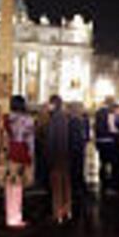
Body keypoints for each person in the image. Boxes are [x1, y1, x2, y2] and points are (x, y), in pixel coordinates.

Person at [2, 95, 34, 227]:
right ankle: (16, 216)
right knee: (18, 184)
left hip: (10, 151)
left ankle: (10, 214)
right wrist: (31, 155)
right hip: (22, 150)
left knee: (10, 183)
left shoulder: (6, 119)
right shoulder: (27, 120)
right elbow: (30, 140)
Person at [42, 95, 72, 223]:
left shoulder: (53, 120)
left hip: (55, 156)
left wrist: (48, 156)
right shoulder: (66, 119)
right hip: (66, 156)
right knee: (66, 184)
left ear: (53, 104)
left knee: (56, 186)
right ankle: (67, 210)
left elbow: (50, 140)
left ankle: (57, 212)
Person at [68, 102, 89, 199]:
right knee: (78, 168)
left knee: (76, 168)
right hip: (77, 148)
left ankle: (76, 187)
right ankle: (78, 187)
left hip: (74, 148)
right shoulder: (78, 121)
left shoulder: (72, 121)